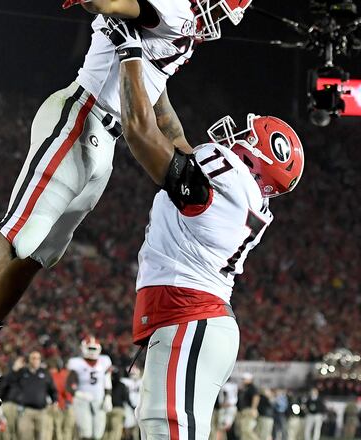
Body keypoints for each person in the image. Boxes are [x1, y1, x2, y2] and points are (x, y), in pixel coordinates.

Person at [0, 0, 254, 408]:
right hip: (79, 116)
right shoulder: (174, 7)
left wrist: (184, 148)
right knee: (20, 231)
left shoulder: (181, 27)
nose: (221, 16)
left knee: (40, 252)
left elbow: (157, 98)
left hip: (104, 139)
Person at [107, 17, 304, 439]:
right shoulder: (235, 194)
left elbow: (140, 133)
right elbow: (172, 133)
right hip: (194, 317)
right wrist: (154, 67)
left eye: (246, 138)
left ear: (254, 160)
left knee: (167, 431)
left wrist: (129, 54)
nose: (234, 136)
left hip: (190, 317)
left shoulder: (226, 183)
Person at [66, 337, 113, 440]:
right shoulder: (76, 362)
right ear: (83, 348)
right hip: (82, 399)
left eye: (94, 348)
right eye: (89, 348)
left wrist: (108, 397)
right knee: (85, 432)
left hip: (99, 398)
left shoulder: (104, 360)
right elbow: (69, 384)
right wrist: (78, 394)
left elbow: (107, 381)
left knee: (98, 433)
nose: (92, 351)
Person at [16, 351, 57, 440]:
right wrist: (14, 370)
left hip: (42, 411)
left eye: (38, 358)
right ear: (29, 360)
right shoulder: (22, 372)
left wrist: (54, 401)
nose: (35, 360)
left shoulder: (45, 373)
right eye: (33, 358)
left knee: (42, 436)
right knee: (25, 437)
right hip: (26, 411)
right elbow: (10, 384)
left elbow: (52, 389)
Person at [0, 356, 25, 440]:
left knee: (19, 432)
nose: (22, 364)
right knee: (7, 431)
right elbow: (1, 388)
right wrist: (13, 370)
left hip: (21, 405)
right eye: (19, 362)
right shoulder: (7, 375)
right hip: (9, 404)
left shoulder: (23, 374)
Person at [49, 357, 75, 440]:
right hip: (62, 405)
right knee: (64, 430)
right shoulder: (64, 374)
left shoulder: (59, 375)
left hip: (61, 405)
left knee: (60, 430)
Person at [104, 368, 129, 440]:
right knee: (115, 432)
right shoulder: (122, 385)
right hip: (118, 410)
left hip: (106, 409)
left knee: (106, 432)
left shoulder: (107, 384)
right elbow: (126, 398)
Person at [121, 366, 142, 440]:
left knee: (140, 426)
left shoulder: (142, 381)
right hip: (128, 406)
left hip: (140, 406)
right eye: (132, 373)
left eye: (134, 373)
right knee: (128, 424)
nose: (133, 375)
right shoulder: (125, 381)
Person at [237, 375, 260, 440]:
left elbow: (256, 397)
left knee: (247, 430)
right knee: (243, 431)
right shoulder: (245, 388)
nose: (243, 380)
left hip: (249, 411)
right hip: (244, 411)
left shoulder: (252, 387)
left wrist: (253, 409)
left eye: (245, 379)